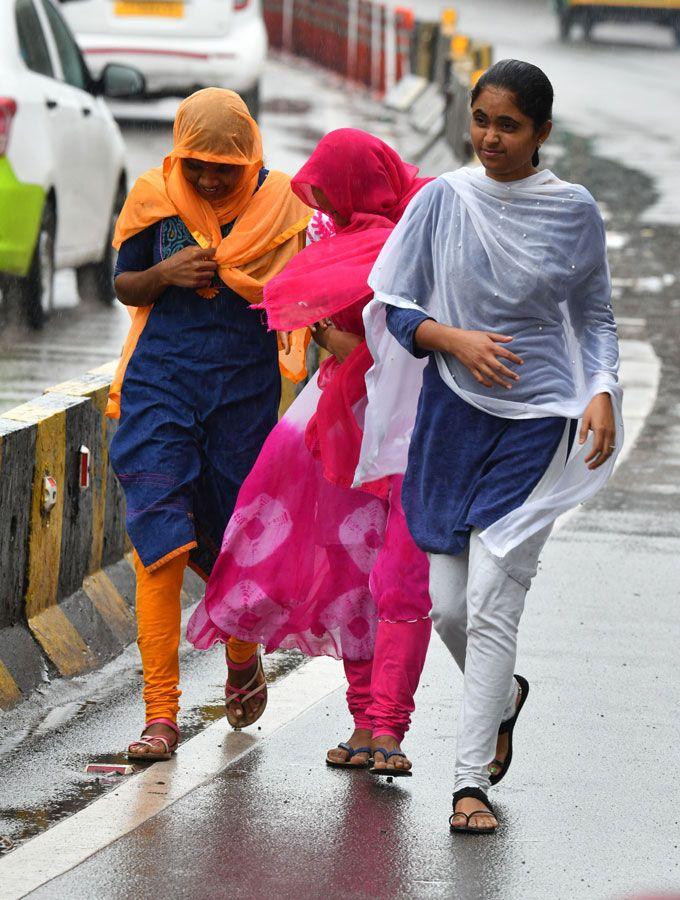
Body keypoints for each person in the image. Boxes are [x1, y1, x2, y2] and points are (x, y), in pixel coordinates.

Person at [355, 60, 622, 831]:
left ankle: (469, 784)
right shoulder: (442, 201)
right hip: (452, 420)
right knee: (447, 609)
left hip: (539, 426)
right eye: (480, 119)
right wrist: (454, 341)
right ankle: (502, 698)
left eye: (508, 125)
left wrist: (601, 388)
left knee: (495, 599)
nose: (490, 137)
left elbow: (596, 315)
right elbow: (395, 304)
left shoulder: (572, 211)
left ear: (542, 132)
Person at [187, 130, 432, 775]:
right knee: (347, 577)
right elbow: (311, 310)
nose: (327, 206)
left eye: (333, 192)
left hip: (400, 430)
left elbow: (416, 335)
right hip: (333, 426)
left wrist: (361, 352)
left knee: (397, 584)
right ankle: (363, 722)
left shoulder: (420, 233)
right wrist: (333, 338)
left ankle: (390, 725)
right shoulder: (334, 232)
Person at [107, 88, 311, 759]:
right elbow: (124, 284)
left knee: (234, 542)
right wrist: (165, 272)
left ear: (252, 158)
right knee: (159, 540)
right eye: (197, 165)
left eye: (226, 167)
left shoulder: (279, 208)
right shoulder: (155, 199)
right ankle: (160, 715)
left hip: (241, 395)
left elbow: (308, 294)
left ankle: (242, 650)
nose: (210, 179)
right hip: (160, 385)